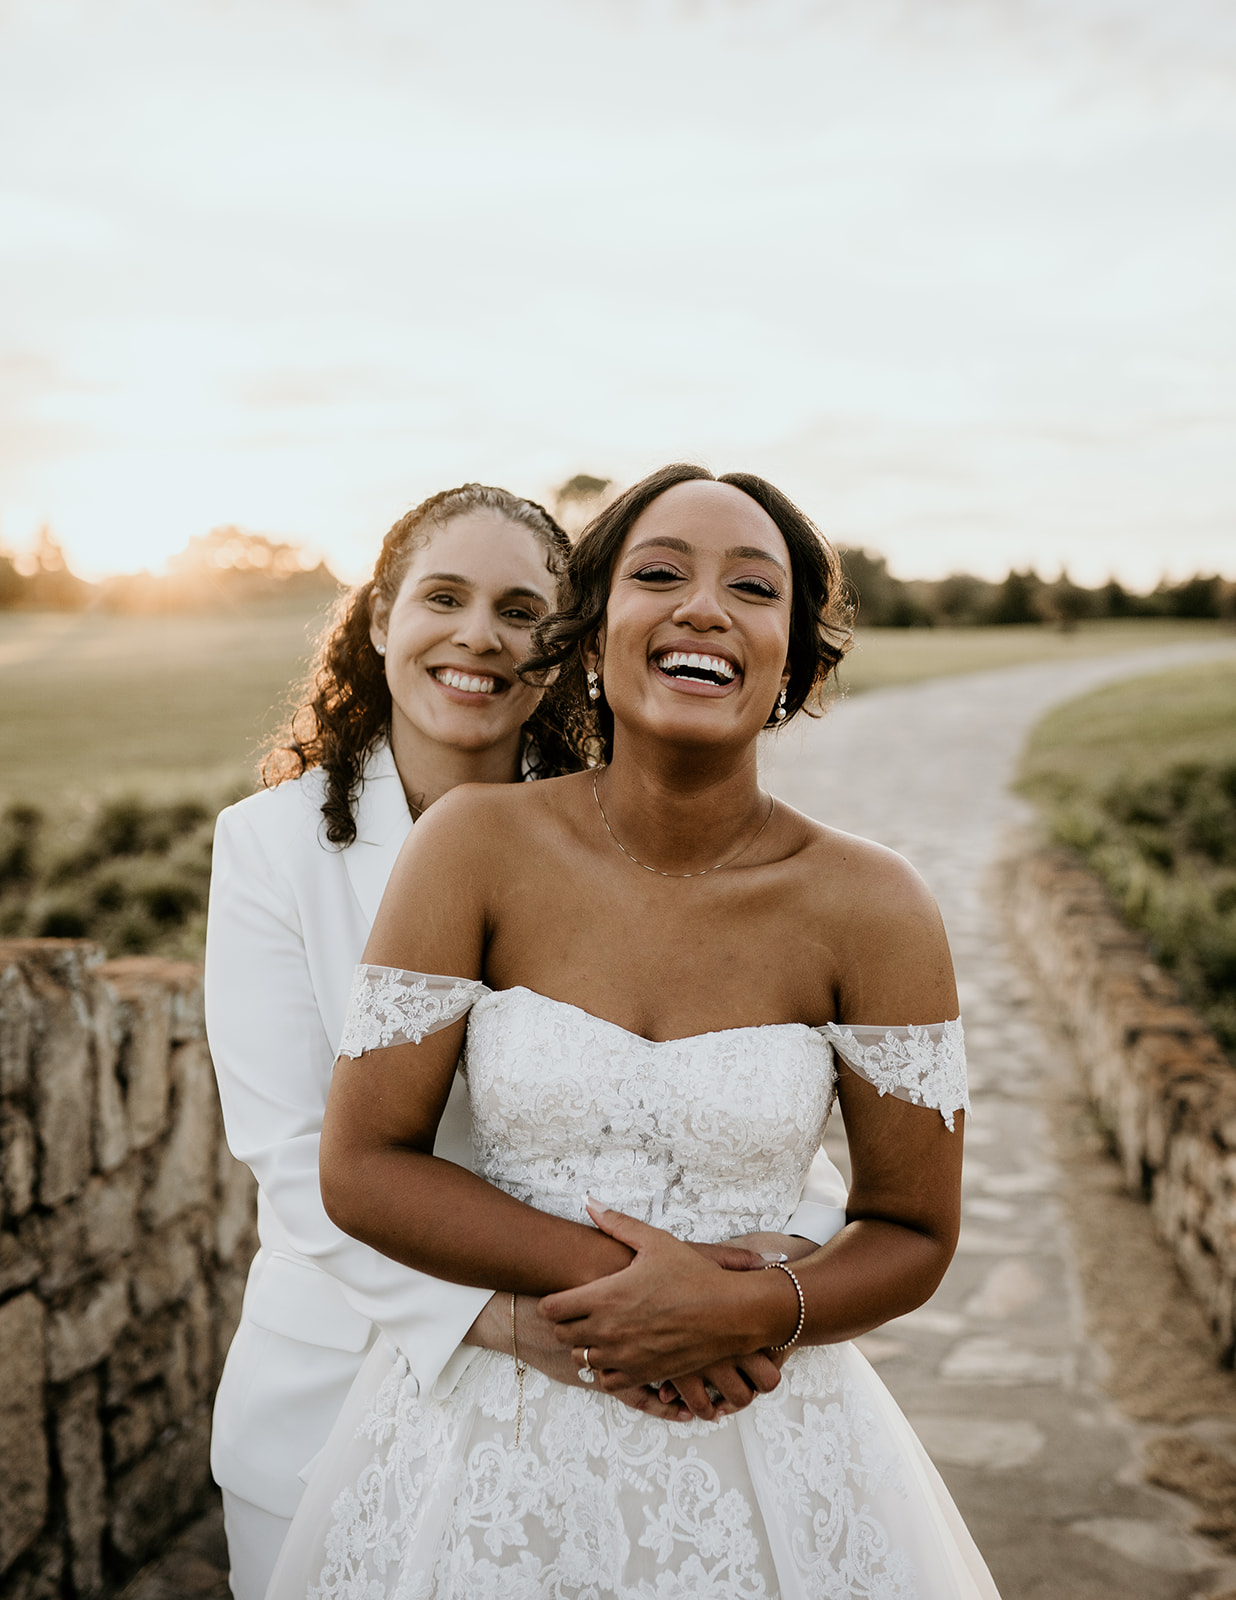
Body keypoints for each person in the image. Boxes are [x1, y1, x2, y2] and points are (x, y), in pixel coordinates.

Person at [266, 462, 1000, 1597]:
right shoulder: (473, 847)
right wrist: (635, 1295)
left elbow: (913, 1227)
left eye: (753, 589)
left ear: (796, 663)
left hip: (764, 1436)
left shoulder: (876, 903)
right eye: (660, 574)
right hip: (487, 1462)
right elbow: (362, 1167)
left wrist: (746, 1309)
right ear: (594, 635)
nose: (703, 606)